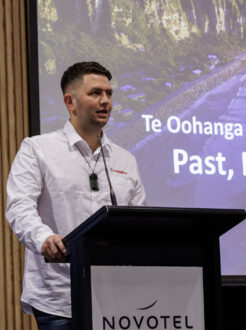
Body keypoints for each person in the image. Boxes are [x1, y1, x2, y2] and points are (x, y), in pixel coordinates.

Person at [5, 61, 146, 329]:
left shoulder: (125, 159)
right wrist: (44, 238)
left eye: (109, 93)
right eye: (95, 93)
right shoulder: (38, 149)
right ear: (70, 102)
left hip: (117, 299)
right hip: (58, 297)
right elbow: (19, 206)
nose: (105, 101)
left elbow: (140, 220)